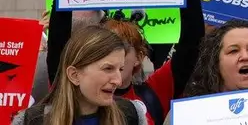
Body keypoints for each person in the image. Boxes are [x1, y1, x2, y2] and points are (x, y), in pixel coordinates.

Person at [45, 0, 203, 120]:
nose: (112, 56)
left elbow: (191, 46)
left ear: (139, 56)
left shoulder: (154, 93)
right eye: (102, 50)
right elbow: (58, 47)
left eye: (121, 48)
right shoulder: (73, 87)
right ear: (73, 75)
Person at [15, 26, 148, 125]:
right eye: (108, 68)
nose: (118, 81)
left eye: (121, 69)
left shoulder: (130, 115)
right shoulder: (33, 121)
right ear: (74, 75)